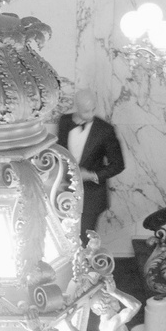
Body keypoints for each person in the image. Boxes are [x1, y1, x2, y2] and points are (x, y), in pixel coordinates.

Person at [55, 83, 124, 243]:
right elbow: (60, 152)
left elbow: (118, 164)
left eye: (94, 109)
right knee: (62, 239)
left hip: (92, 196)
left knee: (85, 241)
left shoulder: (105, 130)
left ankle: (85, 267)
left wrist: (92, 175)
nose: (91, 114)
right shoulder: (64, 122)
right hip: (64, 192)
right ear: (76, 107)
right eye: (87, 110)